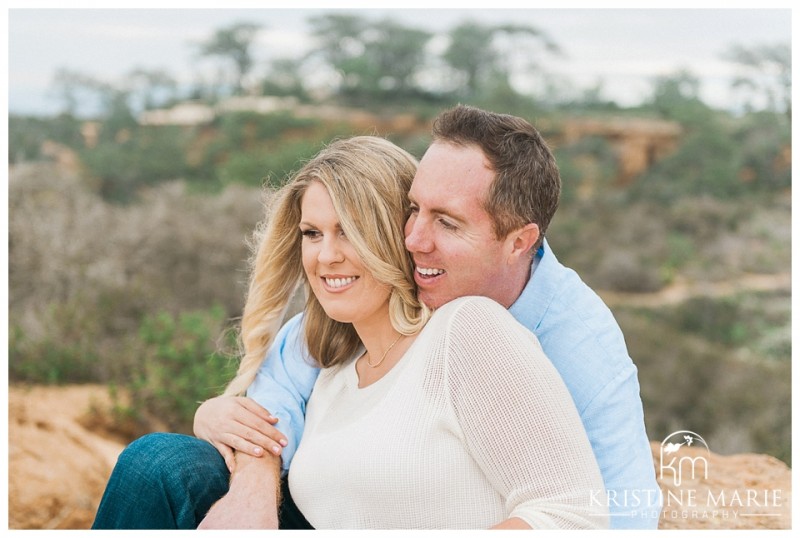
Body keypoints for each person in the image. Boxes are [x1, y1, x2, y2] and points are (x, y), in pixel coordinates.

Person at [94, 105, 659, 529]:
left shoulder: (548, 339)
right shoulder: (338, 343)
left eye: (447, 223)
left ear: (518, 242)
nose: (415, 238)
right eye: (412, 210)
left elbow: (596, 510)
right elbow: (275, 402)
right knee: (160, 463)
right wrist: (245, 464)